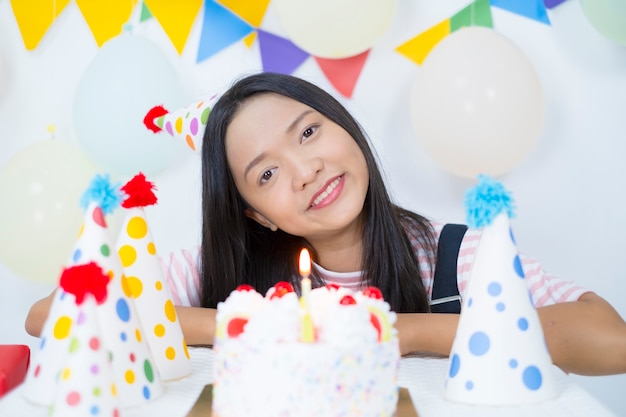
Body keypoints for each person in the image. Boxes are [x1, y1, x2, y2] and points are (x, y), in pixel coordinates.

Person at [26, 72, 626, 376]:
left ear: (345, 125)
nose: (306, 168)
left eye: (309, 132)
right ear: (255, 214)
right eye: (266, 174)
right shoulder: (222, 272)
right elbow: (49, 314)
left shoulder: (452, 258)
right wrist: (243, 323)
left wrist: (403, 333)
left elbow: (609, 339)